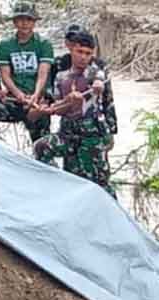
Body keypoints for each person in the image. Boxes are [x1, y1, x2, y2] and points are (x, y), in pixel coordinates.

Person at [34, 31, 114, 194]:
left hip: (92, 138)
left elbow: (100, 78)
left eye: (88, 53)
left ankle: (113, 209)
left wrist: (98, 85)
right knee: (42, 147)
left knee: (99, 184)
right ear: (71, 49)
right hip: (68, 134)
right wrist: (67, 101)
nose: (83, 57)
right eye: (80, 52)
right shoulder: (60, 77)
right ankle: (54, 188)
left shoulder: (95, 72)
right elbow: (59, 109)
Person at [0, 2, 53, 141]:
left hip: (37, 101)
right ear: (14, 21)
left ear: (34, 22)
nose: (24, 23)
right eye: (20, 19)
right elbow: (5, 75)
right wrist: (18, 94)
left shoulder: (44, 44)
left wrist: (36, 95)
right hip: (14, 100)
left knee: (41, 144)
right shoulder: (6, 45)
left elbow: (43, 73)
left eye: (29, 19)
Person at [55, 24, 118, 146]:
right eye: (71, 40)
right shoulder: (60, 63)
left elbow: (106, 96)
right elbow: (55, 98)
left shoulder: (97, 65)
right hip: (69, 124)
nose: (83, 56)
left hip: (92, 125)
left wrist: (111, 129)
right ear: (67, 43)